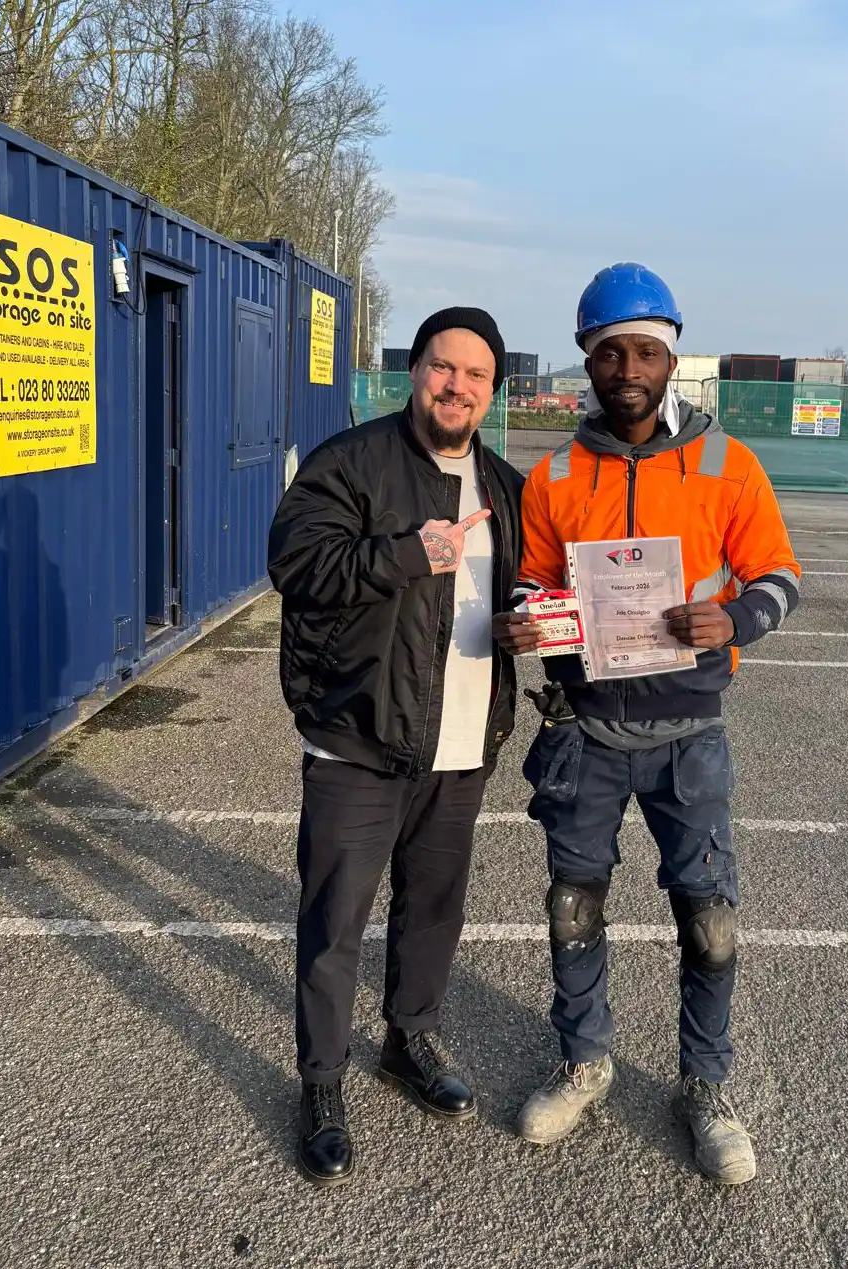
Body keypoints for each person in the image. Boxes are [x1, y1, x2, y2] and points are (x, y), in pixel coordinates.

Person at [493, 264, 801, 1185]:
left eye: (647, 350)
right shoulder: (552, 473)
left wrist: (735, 618)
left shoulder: (727, 464)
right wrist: (525, 615)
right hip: (584, 730)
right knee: (573, 906)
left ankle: (704, 1085)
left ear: (673, 357)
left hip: (688, 736)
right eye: (610, 351)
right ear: (589, 361)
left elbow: (781, 577)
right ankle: (585, 1060)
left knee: (708, 921)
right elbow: (533, 580)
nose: (629, 366)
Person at [268, 307, 524, 1187]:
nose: (457, 386)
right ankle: (321, 1083)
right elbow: (297, 566)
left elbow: (508, 599)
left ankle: (409, 1037)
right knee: (335, 917)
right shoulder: (352, 462)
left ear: (494, 390)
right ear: (415, 371)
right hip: (360, 736)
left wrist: (527, 635)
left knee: (434, 907)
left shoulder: (505, 484)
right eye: (443, 368)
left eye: (475, 375)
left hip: (460, 744)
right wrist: (403, 556)